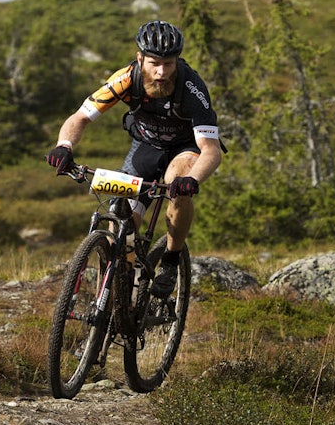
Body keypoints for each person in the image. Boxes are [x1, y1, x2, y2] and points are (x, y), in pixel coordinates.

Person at [46, 20, 222, 297]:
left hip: (185, 148)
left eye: (169, 64)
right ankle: (124, 284)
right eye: (154, 63)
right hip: (146, 147)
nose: (162, 72)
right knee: (123, 218)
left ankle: (171, 260)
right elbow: (80, 117)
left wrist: (192, 179)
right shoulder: (127, 78)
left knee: (176, 184)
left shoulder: (191, 87)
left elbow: (210, 148)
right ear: (140, 58)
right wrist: (64, 146)